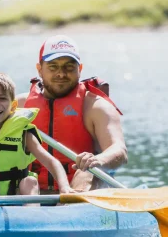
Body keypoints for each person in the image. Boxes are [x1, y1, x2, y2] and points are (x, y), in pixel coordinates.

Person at [17, 34, 127, 192]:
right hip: (32, 188)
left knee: (85, 173)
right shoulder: (19, 106)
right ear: (39, 70)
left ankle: (70, 208)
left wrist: (97, 160)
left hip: (81, 186)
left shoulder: (96, 106)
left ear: (79, 69)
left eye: (69, 67)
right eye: (53, 67)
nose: (61, 74)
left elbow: (119, 150)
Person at [0, 72, 74, 197]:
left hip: (16, 197)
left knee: (29, 181)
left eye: (2, 98)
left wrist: (65, 187)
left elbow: (51, 162)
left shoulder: (24, 134)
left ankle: (32, 213)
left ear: (14, 105)